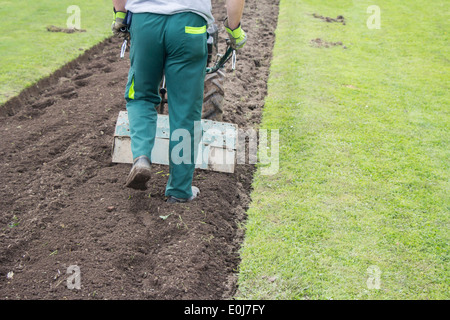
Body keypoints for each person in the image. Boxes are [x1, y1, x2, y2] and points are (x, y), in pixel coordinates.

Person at [111, 0, 247, 203]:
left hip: (145, 22)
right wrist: (234, 29)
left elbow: (121, 6)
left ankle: (141, 158)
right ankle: (179, 189)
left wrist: (120, 15)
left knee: (141, 96)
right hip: (189, 25)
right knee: (185, 110)